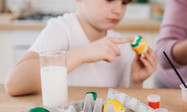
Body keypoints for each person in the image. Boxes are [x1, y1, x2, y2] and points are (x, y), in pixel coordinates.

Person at [5, 0, 157, 97]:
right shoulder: (61, 30)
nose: (118, 10)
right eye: (109, 0)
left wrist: (135, 82)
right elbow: (14, 84)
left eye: (124, 2)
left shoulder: (122, 46)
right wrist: (84, 53)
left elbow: (123, 106)